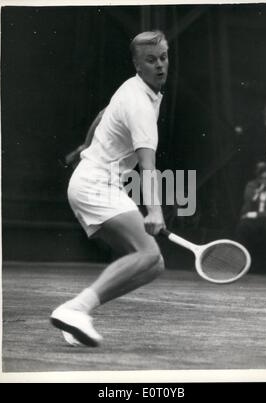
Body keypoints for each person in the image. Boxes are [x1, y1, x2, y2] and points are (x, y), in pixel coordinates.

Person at [50, 31, 169, 346]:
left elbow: (103, 115)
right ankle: (75, 308)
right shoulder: (140, 105)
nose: (159, 65)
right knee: (147, 252)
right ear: (136, 64)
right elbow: (148, 165)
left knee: (152, 265)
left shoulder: (133, 88)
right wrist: (154, 210)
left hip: (91, 181)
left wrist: (84, 148)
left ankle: (78, 314)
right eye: (150, 60)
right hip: (95, 184)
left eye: (163, 57)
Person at [235, 162, 266, 274]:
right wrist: (256, 195)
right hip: (253, 220)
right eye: (261, 178)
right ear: (257, 177)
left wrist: (256, 214)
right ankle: (241, 264)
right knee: (242, 227)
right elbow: (246, 210)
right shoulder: (251, 186)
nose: (264, 180)